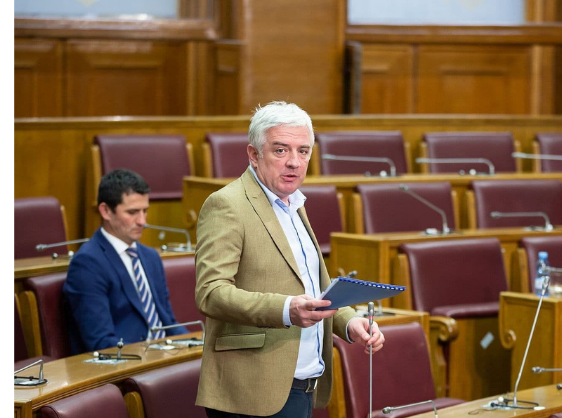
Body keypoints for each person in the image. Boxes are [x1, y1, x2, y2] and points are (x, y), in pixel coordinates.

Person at [195, 101, 384, 418]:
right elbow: (210, 293)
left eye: (303, 151)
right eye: (281, 150)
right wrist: (286, 310)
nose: (294, 162)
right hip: (252, 390)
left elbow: (315, 289)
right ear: (254, 154)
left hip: (300, 384)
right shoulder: (227, 205)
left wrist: (349, 322)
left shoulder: (293, 203)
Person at [63, 169, 187, 354]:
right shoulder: (88, 264)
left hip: (165, 356)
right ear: (106, 211)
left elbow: (168, 323)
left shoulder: (151, 257)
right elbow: (101, 342)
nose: (142, 221)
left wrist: (197, 344)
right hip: (127, 362)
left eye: (145, 211)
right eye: (132, 212)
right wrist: (153, 355)